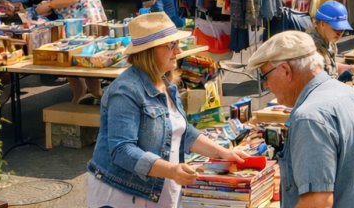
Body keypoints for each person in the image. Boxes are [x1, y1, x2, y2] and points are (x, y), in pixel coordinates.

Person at [86, 12, 246, 208]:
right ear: (150, 51)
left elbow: (183, 132)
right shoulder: (125, 91)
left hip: (156, 189)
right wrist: (171, 170)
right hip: (124, 193)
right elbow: (122, 151)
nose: (178, 51)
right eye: (171, 45)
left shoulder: (165, 83)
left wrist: (223, 152)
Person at [246, 31, 354, 207]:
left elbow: (317, 202)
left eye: (265, 76)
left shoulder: (310, 117)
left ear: (286, 71)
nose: (266, 85)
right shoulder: (349, 94)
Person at [36, 0, 106, 103]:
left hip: (78, 23)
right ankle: (96, 97)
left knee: (70, 60)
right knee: (90, 62)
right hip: (92, 18)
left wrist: (49, 5)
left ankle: (79, 98)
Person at [308, 0, 354, 81]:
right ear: (323, 24)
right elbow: (317, 82)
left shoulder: (328, 37)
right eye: (336, 28)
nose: (340, 33)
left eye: (342, 29)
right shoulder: (310, 48)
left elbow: (330, 65)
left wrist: (349, 68)